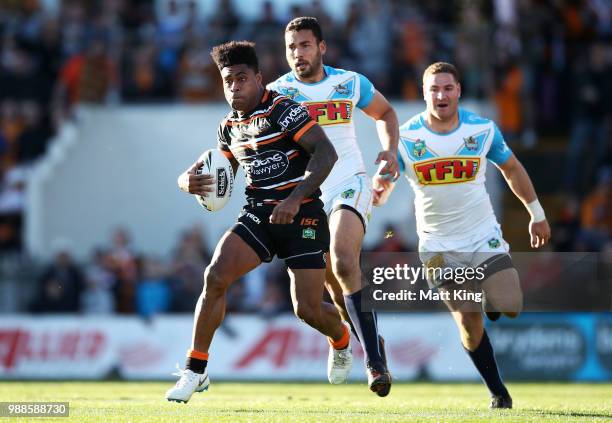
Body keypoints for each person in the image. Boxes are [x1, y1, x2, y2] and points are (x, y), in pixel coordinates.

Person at [166, 41, 351, 403]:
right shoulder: (228, 127)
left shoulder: (283, 110)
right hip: (259, 214)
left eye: (241, 78)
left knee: (308, 310)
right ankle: (195, 369)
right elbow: (219, 174)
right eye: (227, 81)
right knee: (216, 275)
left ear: (258, 78)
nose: (234, 87)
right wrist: (185, 181)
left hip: (303, 215)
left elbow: (326, 153)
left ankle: (341, 339)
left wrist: (295, 198)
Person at [373, 62, 551, 409]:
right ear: (424, 94)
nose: (441, 95)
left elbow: (511, 168)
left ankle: (492, 299)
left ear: (459, 91)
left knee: (510, 306)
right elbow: (387, 181)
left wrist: (537, 214)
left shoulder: (482, 129)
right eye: (433, 89)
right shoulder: (407, 138)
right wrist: (379, 191)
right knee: (469, 323)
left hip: (482, 236)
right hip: (438, 245)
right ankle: (499, 393)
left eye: (447, 88)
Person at [267, 17, 399, 396]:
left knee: (343, 259)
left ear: (321, 48)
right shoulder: (278, 93)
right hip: (306, 196)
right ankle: (360, 339)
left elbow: (386, 113)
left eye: (305, 45)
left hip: (350, 182)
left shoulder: (349, 82)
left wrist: (389, 150)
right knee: (329, 292)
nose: (297, 54)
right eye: (291, 47)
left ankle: (374, 363)